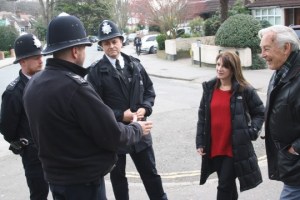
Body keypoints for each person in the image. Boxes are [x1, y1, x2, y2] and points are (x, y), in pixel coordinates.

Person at [22, 14, 153, 200]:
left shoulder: (34, 83)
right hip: (83, 183)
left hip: (56, 178)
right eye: (84, 47)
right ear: (76, 51)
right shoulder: (75, 87)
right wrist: (137, 129)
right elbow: (112, 134)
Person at [87, 20, 167, 200]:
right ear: (101, 45)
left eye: (114, 41)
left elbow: (149, 90)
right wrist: (120, 115)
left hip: (140, 130)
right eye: (106, 43)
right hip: (116, 133)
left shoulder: (135, 65)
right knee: (118, 179)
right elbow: (94, 108)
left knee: (151, 175)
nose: (111, 46)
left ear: (121, 41)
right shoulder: (95, 72)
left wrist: (145, 108)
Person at [195, 51, 264, 200]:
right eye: (218, 64)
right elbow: (202, 117)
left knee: (224, 186)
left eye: (224, 66)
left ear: (233, 69)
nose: (219, 68)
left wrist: (252, 131)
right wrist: (200, 141)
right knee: (227, 185)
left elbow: (260, 112)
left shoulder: (244, 89)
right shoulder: (209, 89)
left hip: (234, 148)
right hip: (215, 146)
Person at [0, 33, 49, 200]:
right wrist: (26, 146)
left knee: (62, 191)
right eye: (35, 57)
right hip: (34, 154)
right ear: (22, 61)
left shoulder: (48, 81)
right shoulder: (13, 93)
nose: (41, 60)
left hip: (56, 149)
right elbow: (7, 130)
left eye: (41, 55)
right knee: (39, 194)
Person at [259, 25, 300, 200]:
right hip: (291, 165)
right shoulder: (280, 72)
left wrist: (295, 149)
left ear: (286, 48)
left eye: (266, 49)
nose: (262, 55)